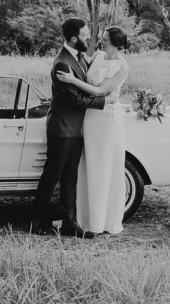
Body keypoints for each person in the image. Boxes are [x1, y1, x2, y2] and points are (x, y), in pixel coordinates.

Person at [31, 18, 118, 239]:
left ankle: (70, 223)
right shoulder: (62, 63)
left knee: (71, 177)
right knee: (52, 176)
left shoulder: (79, 58)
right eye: (85, 34)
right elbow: (75, 100)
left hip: (76, 128)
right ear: (73, 38)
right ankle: (37, 222)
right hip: (62, 129)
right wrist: (103, 102)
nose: (88, 37)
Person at [55, 26, 130, 234]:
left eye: (105, 39)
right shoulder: (97, 55)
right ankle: (83, 217)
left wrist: (72, 80)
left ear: (115, 43)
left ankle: (102, 220)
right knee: (87, 166)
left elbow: (99, 91)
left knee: (103, 166)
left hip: (106, 119)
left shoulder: (123, 67)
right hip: (89, 118)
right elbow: (84, 71)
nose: (100, 41)